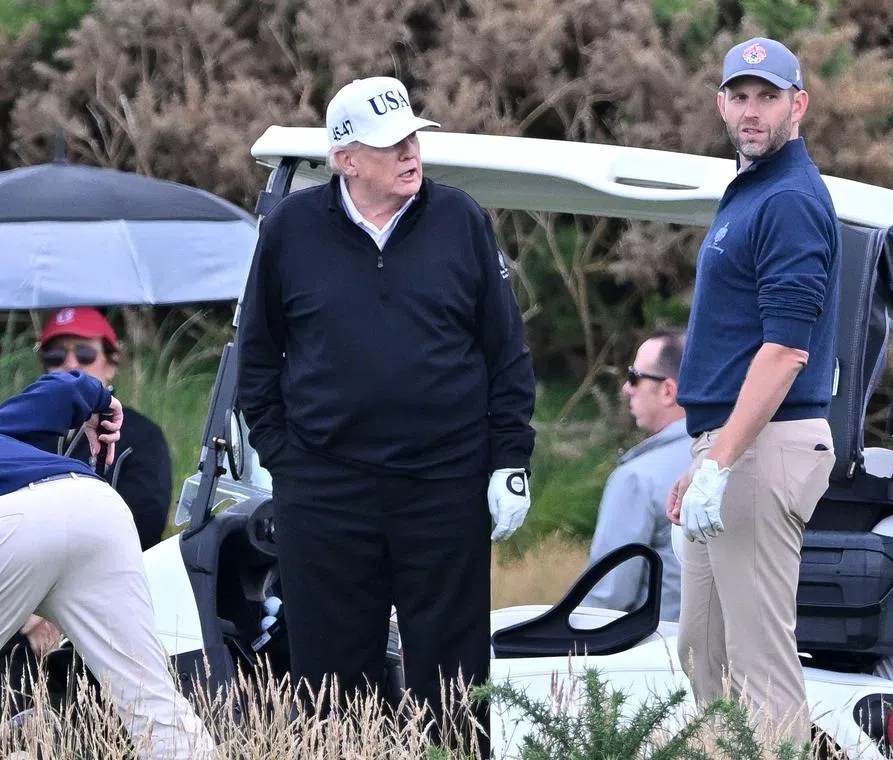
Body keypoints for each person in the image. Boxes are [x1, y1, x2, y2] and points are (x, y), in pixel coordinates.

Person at [236, 75, 536, 755]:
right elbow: (258, 354)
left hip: (444, 482)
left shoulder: (459, 218)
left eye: (411, 137)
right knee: (331, 673)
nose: (409, 152)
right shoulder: (291, 230)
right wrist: (286, 458)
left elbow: (505, 352)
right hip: (326, 487)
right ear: (346, 159)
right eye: (389, 144)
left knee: (452, 669)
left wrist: (510, 457)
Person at [666, 37, 841, 746]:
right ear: (720, 104)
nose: (751, 110)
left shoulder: (792, 198)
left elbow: (785, 350)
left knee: (759, 669)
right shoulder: (750, 192)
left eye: (767, 97)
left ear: (797, 104)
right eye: (739, 96)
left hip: (764, 445)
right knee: (704, 654)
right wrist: (706, 453)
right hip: (731, 443)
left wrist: (722, 458)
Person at [0, 370, 214, 759]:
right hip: (93, 505)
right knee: (153, 706)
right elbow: (65, 388)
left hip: (13, 518)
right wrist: (100, 400)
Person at [28, 307, 173, 550]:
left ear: (111, 363)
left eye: (84, 353)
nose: (70, 364)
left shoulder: (143, 435)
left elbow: (146, 527)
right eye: (55, 355)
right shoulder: (25, 429)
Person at [581, 330, 689, 622]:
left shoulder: (638, 478)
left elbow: (607, 597)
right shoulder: (741, 459)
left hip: (658, 655)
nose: (627, 389)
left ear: (668, 391)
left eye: (634, 377)